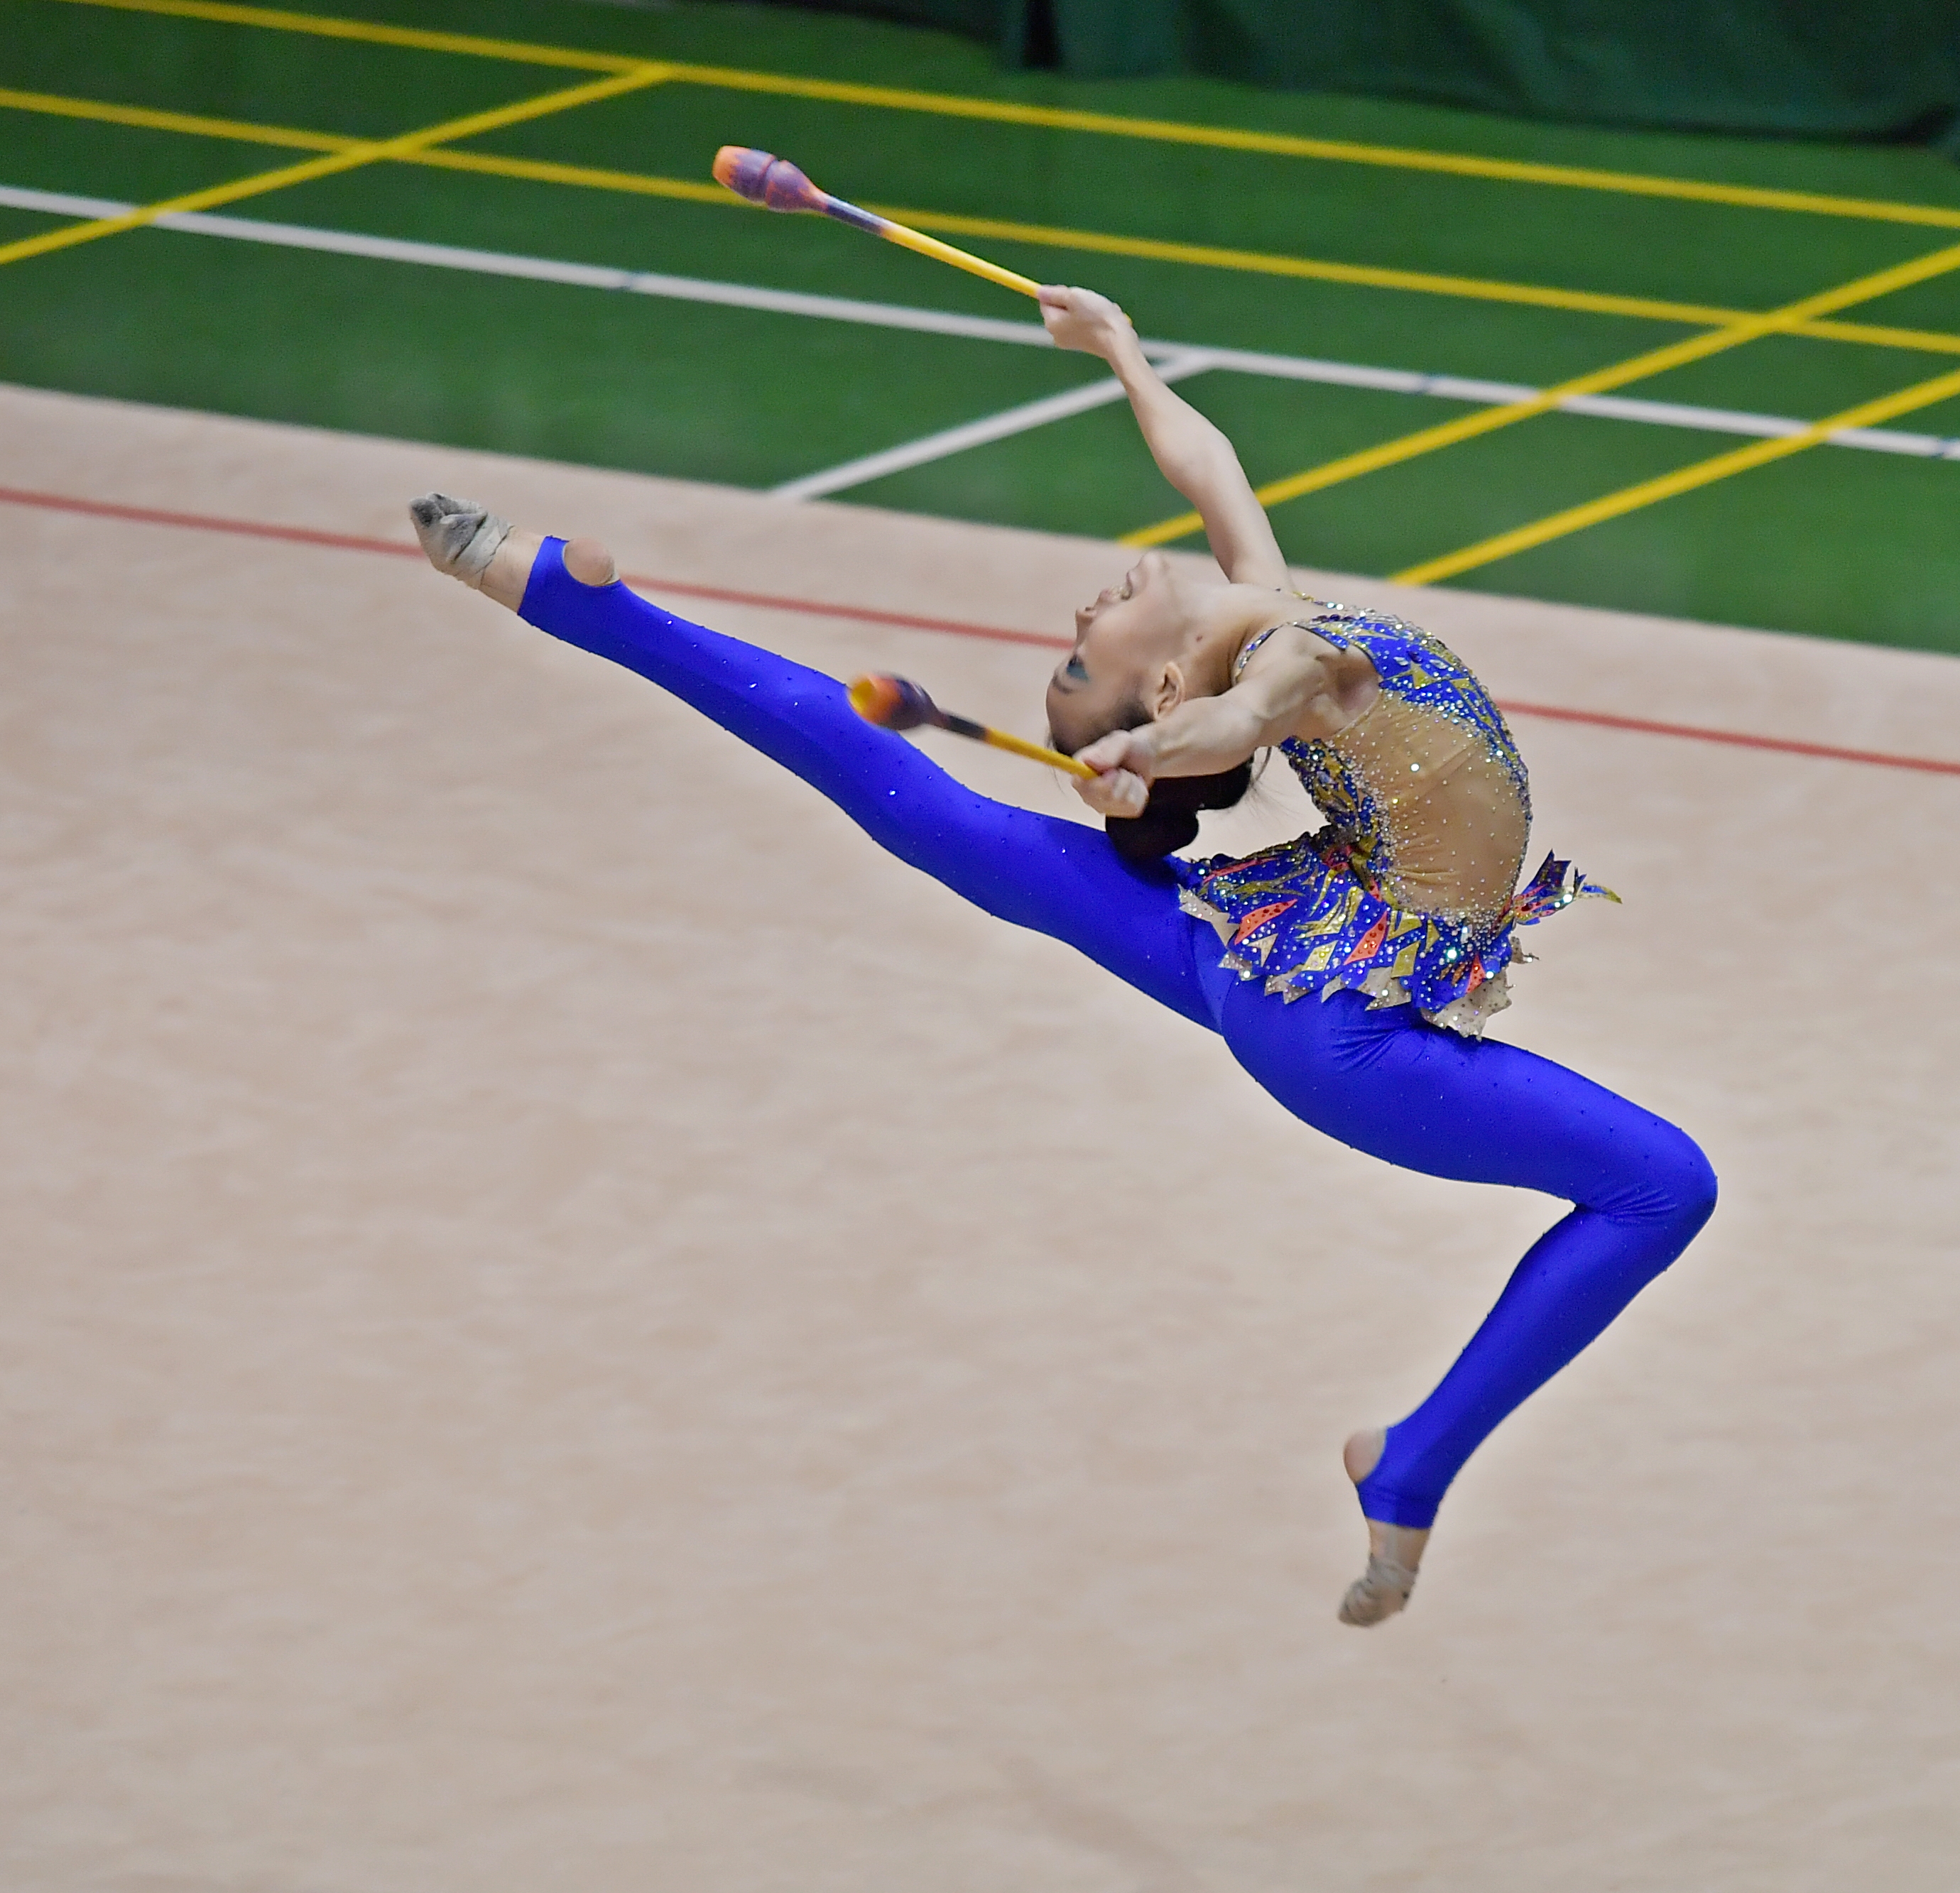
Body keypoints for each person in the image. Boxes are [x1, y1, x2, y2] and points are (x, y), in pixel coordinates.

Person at [409, 285, 1715, 1626]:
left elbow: (1203, 462)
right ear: (1158, 689)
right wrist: (1158, 754)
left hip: (1265, 952)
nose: (1086, 609)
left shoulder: (1261, 601)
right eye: (1082, 652)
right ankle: (1426, 1454)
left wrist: (1123, 355)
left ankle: (571, 596)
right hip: (1340, 1031)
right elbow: (1241, 718)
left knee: (945, 823)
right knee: (1663, 1187)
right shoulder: (1281, 660)